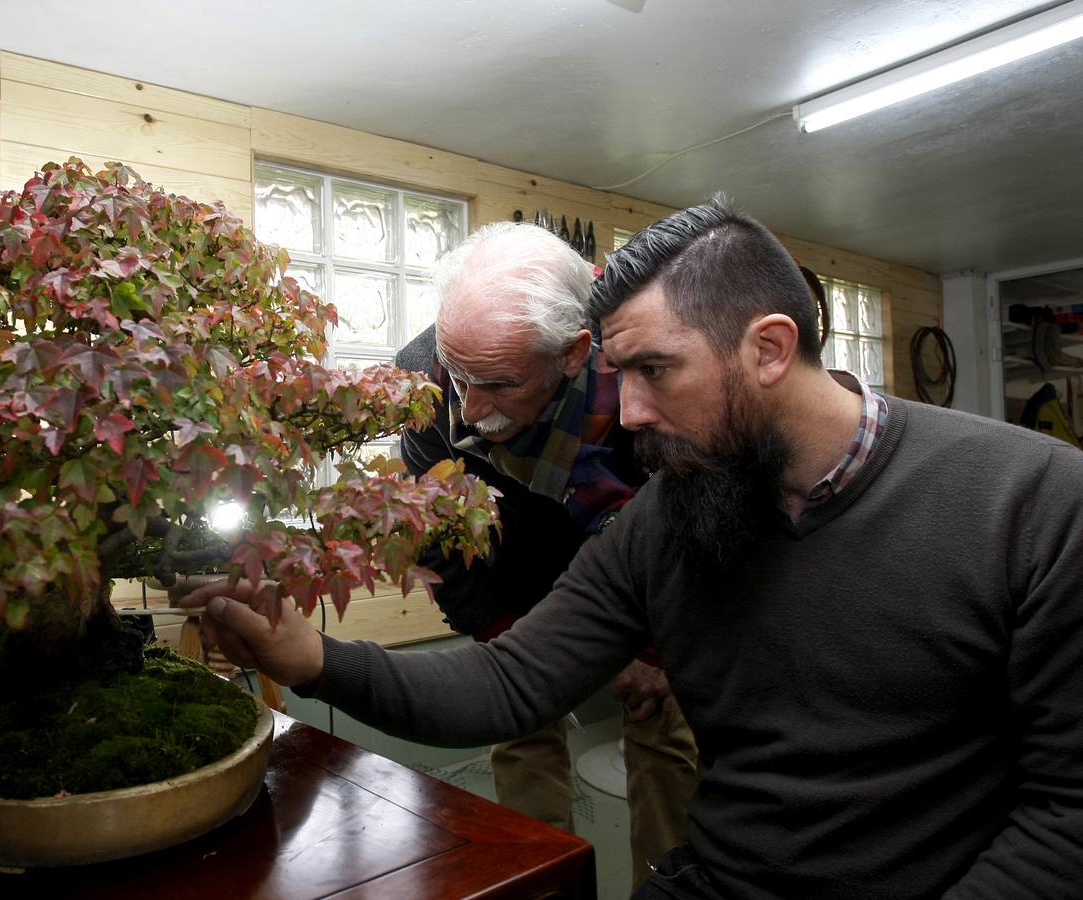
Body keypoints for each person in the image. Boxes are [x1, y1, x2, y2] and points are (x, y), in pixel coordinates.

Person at [181, 197, 1083, 899]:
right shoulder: (674, 512)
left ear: (769, 348)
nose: (634, 412)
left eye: (654, 371)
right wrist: (313, 658)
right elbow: (506, 685)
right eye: (625, 374)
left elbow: (1066, 817)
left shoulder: (1032, 503)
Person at [393, 221, 697, 879]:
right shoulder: (420, 384)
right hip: (514, 564)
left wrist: (654, 652)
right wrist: (503, 643)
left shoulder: (648, 367)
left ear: (571, 353)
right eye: (458, 374)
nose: (469, 411)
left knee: (662, 727)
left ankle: (669, 888)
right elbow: (443, 543)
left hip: (634, 544)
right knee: (522, 731)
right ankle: (544, 889)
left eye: (498, 383)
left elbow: (691, 518)